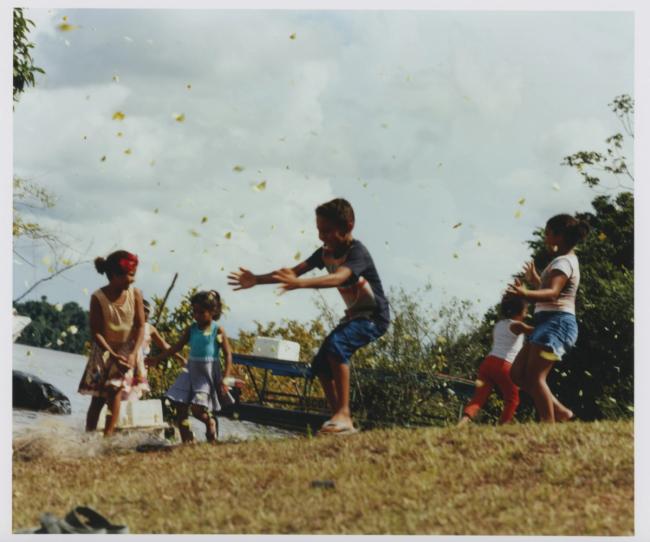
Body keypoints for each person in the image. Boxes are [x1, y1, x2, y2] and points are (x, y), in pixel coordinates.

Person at [228, 198, 390, 435]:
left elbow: (339, 278)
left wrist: (300, 284)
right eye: (319, 230)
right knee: (321, 365)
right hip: (356, 316)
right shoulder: (325, 253)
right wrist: (257, 279)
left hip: (374, 317)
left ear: (347, 227)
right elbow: (291, 272)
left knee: (337, 346)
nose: (321, 237)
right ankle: (340, 421)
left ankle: (343, 414)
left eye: (327, 231)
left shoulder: (358, 253)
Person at [507, 214, 590, 422]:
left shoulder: (563, 262)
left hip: (557, 323)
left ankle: (548, 425)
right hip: (546, 322)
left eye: (547, 233)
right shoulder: (561, 261)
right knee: (518, 374)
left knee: (535, 378)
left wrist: (524, 294)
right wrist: (535, 280)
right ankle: (562, 412)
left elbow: (553, 293)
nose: (545, 237)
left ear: (558, 236)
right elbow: (549, 292)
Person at [148, 290, 234, 443]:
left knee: (196, 409)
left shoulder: (217, 330)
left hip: (205, 373)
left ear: (212, 311)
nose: (197, 315)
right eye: (194, 312)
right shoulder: (191, 329)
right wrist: (158, 358)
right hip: (190, 370)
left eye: (201, 312)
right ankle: (187, 440)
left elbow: (228, 354)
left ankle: (210, 422)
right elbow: (176, 347)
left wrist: (226, 377)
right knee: (180, 405)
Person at [78, 250, 146, 436]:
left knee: (115, 390)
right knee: (98, 399)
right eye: (128, 275)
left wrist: (132, 354)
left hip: (127, 351)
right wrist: (111, 354)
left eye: (133, 275)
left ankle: (107, 436)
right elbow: (96, 332)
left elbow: (141, 326)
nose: (131, 280)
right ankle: (89, 436)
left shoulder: (136, 295)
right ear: (113, 275)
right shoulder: (98, 298)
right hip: (105, 351)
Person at [458, 295, 533, 426]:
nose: (527, 313)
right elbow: (534, 331)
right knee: (512, 399)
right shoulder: (517, 325)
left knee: (479, 397)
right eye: (526, 310)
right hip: (504, 365)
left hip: (488, 363)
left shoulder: (498, 325)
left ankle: (463, 422)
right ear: (520, 312)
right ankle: (502, 427)